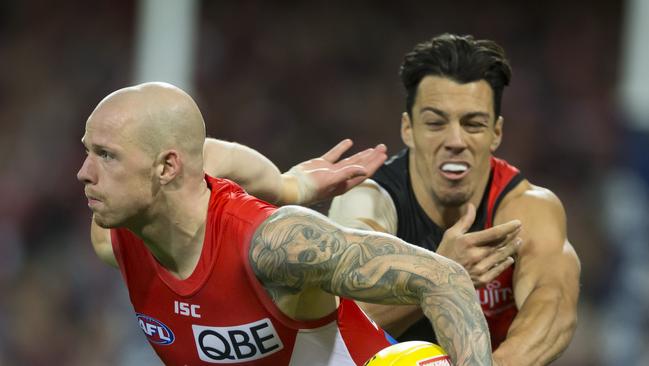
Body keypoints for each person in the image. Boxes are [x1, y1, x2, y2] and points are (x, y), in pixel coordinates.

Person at [77, 82, 493, 365]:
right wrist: (287, 184)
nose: (84, 172)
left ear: (167, 167)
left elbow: (444, 277)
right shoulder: (115, 236)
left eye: (106, 155)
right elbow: (197, 156)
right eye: (89, 152)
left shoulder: (275, 245)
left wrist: (285, 195)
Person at [329, 33, 581, 365]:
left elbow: (554, 311)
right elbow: (335, 331)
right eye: (435, 123)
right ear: (408, 129)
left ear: (496, 133)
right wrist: (436, 277)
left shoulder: (527, 208)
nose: (455, 140)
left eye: (473, 124)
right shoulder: (367, 204)